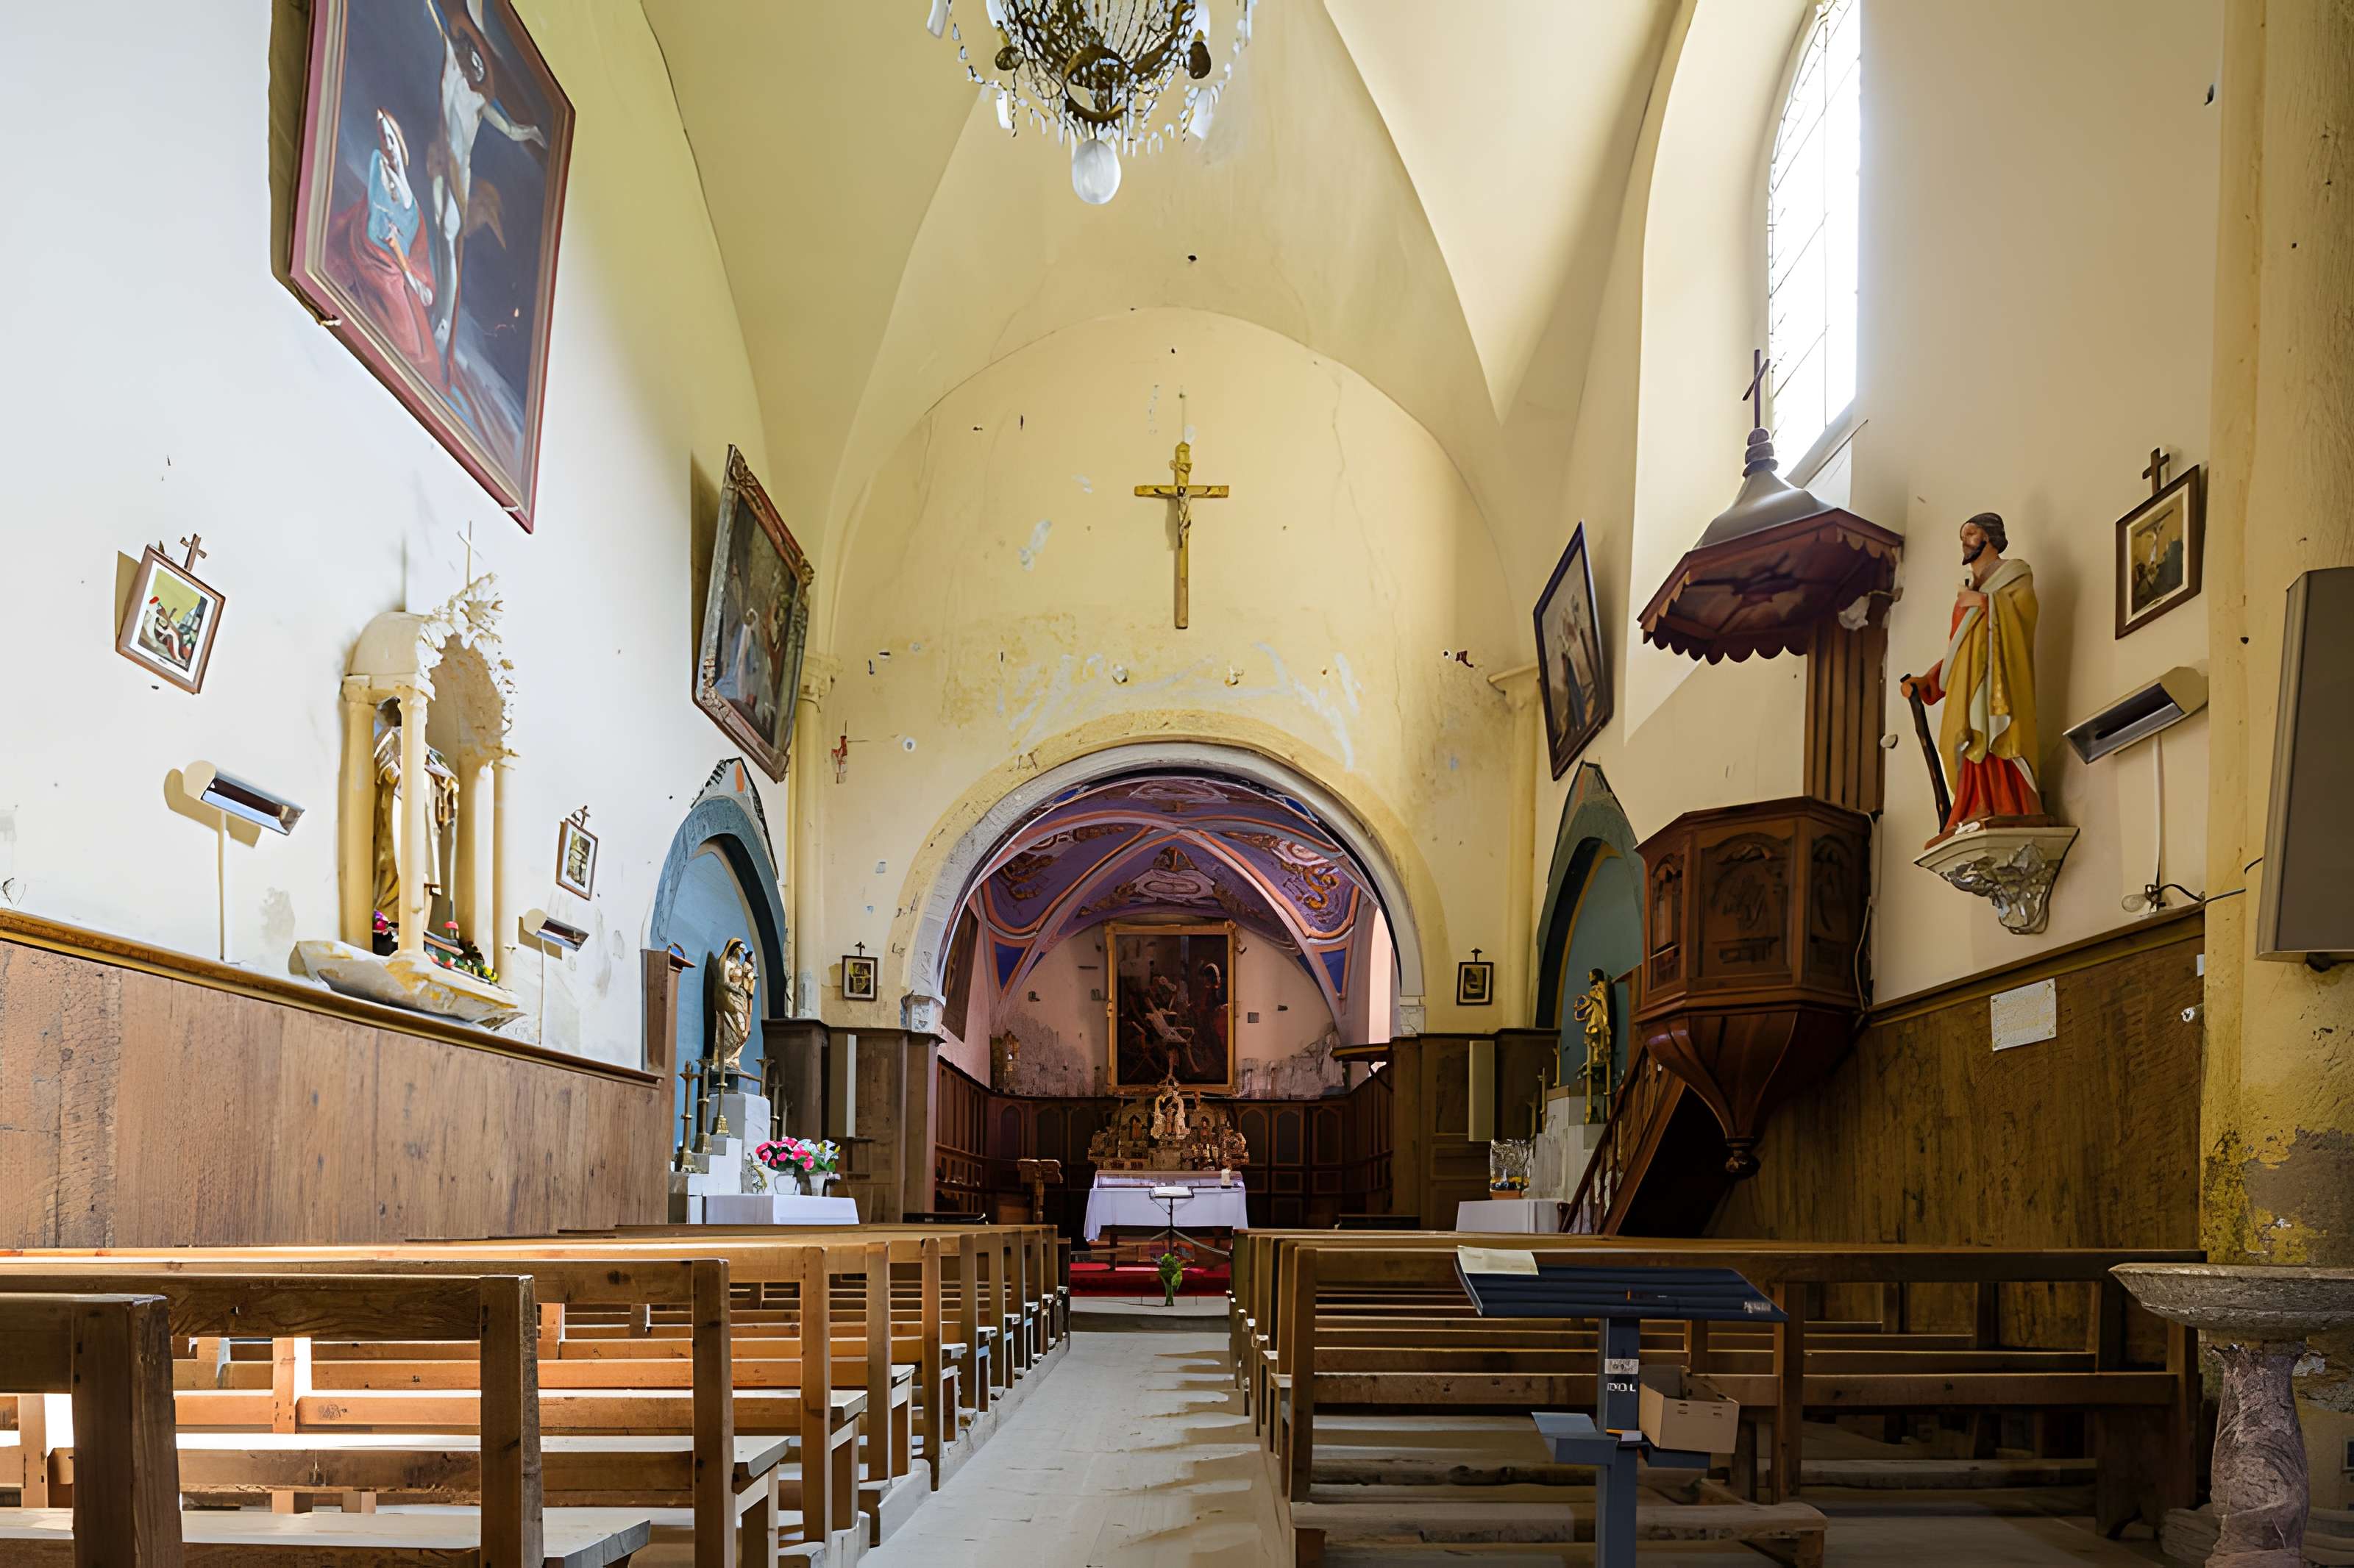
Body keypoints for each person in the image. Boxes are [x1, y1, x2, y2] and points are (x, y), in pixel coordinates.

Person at [1899, 513, 2042, 844]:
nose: (1965, 541)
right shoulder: (1965, 594)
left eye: (1972, 533)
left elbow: (2023, 621)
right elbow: (1958, 652)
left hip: (1999, 686)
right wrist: (1929, 682)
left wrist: (1986, 603)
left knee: (1993, 735)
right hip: (1969, 687)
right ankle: (1974, 806)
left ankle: (2007, 805)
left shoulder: (2014, 575)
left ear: (1990, 538)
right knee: (1967, 740)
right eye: (1963, 534)